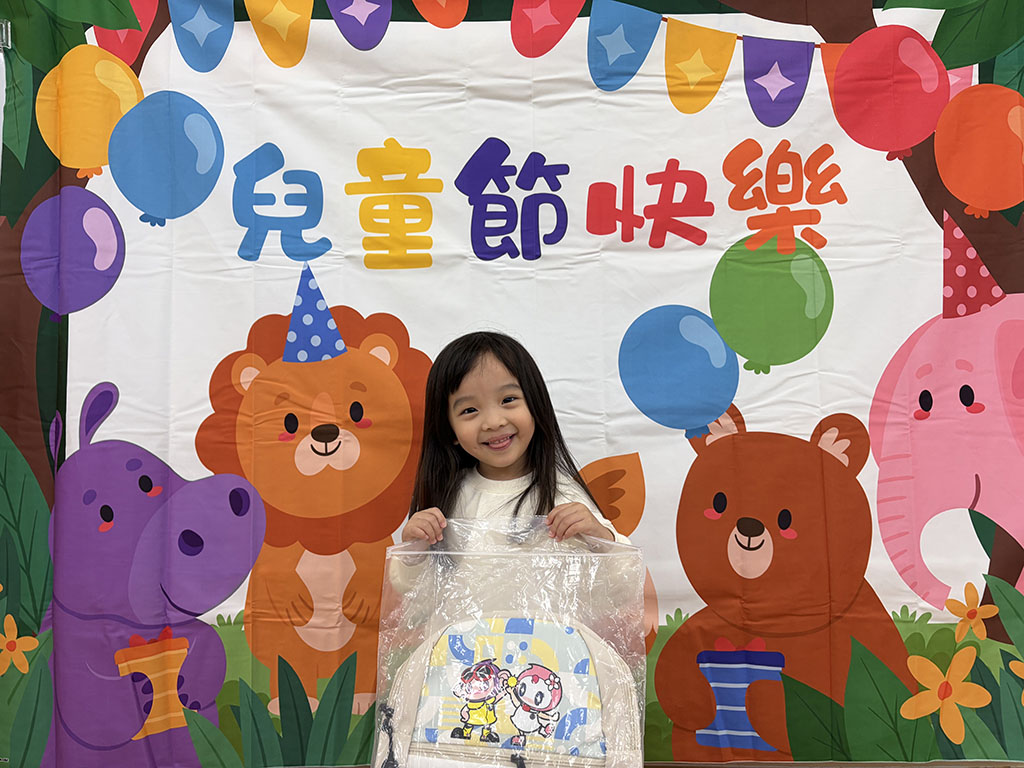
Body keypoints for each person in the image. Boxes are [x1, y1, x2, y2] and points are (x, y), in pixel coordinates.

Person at [402, 331, 628, 545]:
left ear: (535, 405)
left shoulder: (562, 494)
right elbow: (418, 573)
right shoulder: (448, 497)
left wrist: (599, 535)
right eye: (470, 410)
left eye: (508, 399)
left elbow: (622, 566)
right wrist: (413, 550)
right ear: (449, 430)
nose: (494, 422)